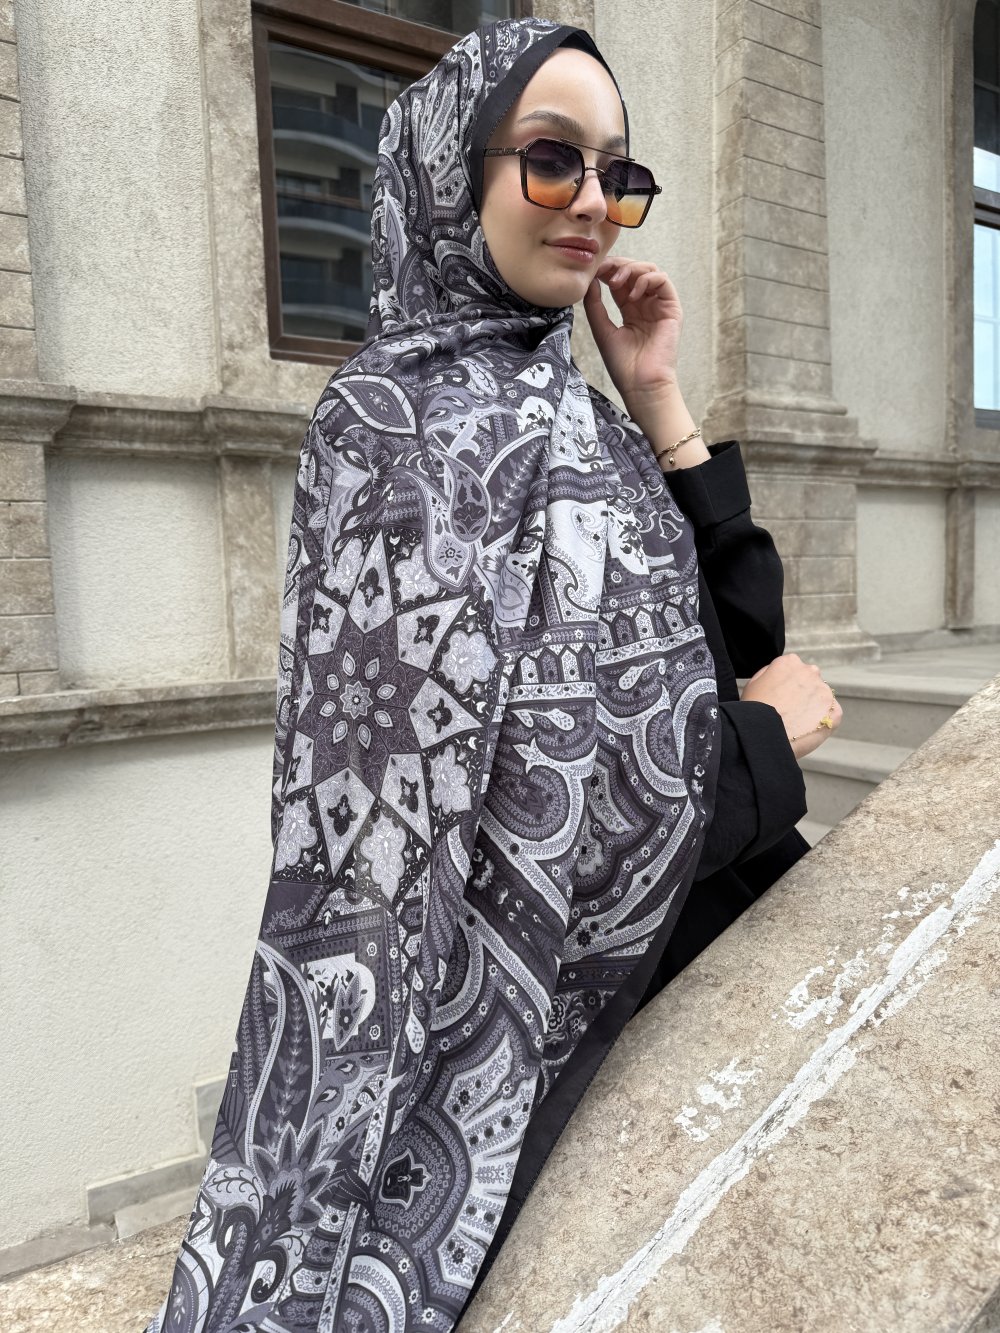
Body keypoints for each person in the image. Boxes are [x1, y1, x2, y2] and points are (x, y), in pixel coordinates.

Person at [145, 17, 840, 1333]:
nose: (592, 203)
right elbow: (442, 847)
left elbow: (745, 641)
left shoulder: (575, 410)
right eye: (551, 158)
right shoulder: (396, 429)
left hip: (703, 950)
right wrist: (756, 749)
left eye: (616, 173)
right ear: (448, 171)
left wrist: (660, 402)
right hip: (544, 1028)